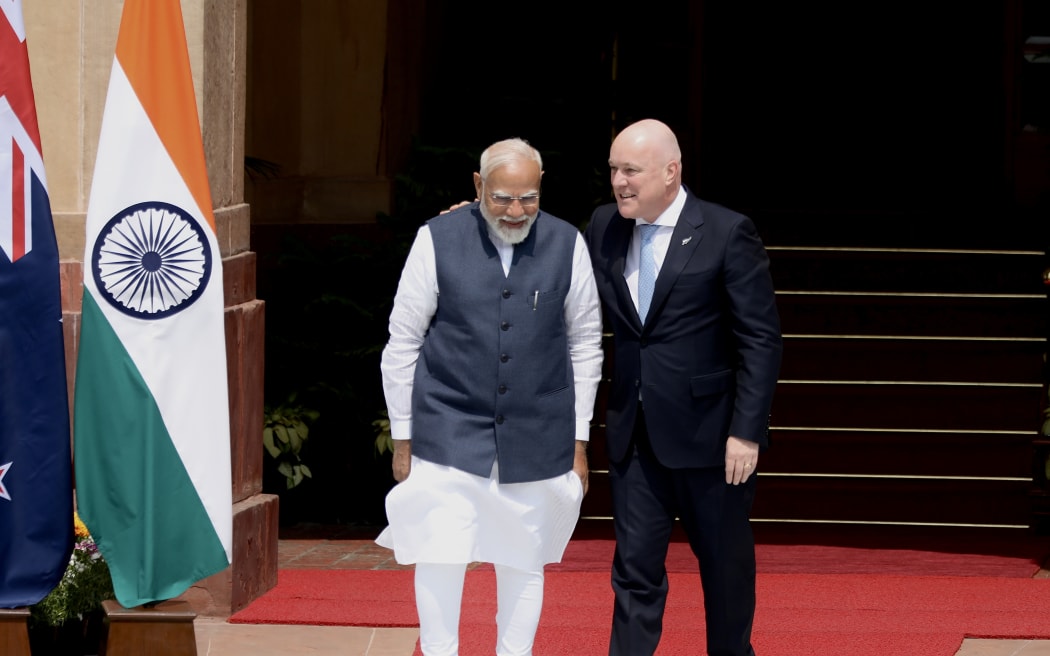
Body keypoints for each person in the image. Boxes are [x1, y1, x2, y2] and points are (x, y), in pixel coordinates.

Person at [376, 137, 604, 656]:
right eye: (503, 198)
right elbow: (403, 341)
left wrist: (579, 439)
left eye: (528, 197)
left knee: (525, 557)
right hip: (447, 425)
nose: (516, 210)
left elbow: (586, 343)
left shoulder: (569, 243)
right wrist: (403, 435)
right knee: (441, 550)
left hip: (537, 430)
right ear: (478, 186)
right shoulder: (436, 238)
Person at [583, 118, 782, 656]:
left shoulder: (725, 231)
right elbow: (554, 261)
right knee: (634, 574)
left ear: (671, 172)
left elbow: (760, 340)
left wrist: (746, 432)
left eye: (631, 170)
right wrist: (475, 223)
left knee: (725, 571)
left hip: (713, 442)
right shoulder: (603, 225)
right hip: (634, 436)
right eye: (613, 170)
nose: (619, 182)